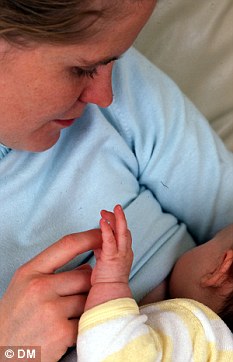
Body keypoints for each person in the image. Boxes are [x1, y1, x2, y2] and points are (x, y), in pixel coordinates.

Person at [0, 1, 233, 361]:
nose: (106, 97)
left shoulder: (119, 89)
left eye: (115, 60)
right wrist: (13, 349)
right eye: (82, 69)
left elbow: (224, 215)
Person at [77, 205, 233, 361]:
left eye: (209, 241)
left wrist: (110, 283)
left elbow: (117, 355)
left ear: (219, 271)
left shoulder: (195, 337)